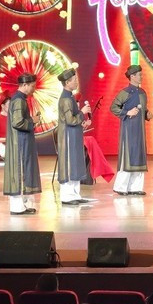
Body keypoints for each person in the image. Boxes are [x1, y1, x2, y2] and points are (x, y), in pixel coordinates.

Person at [110, 65, 152, 196]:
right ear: (132, 76)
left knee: (138, 156)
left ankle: (135, 187)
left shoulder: (143, 93)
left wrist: (147, 114)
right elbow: (113, 107)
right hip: (128, 130)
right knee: (127, 157)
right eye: (139, 74)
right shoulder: (125, 92)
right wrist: (127, 112)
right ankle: (120, 187)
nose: (141, 77)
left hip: (140, 130)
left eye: (141, 74)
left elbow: (144, 110)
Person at [4, 73, 42, 215]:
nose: (34, 89)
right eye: (32, 86)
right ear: (24, 85)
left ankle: (21, 205)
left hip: (20, 141)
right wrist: (33, 120)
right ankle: (17, 207)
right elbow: (18, 122)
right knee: (20, 172)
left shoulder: (19, 99)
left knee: (22, 171)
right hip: (19, 143)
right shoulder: (19, 100)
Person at [56, 67, 93, 205]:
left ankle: (75, 194)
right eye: (74, 80)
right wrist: (82, 112)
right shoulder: (65, 99)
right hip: (68, 137)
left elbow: (74, 120)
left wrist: (82, 123)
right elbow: (70, 120)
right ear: (67, 82)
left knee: (75, 163)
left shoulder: (70, 97)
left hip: (74, 135)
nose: (77, 81)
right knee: (69, 164)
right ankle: (67, 196)